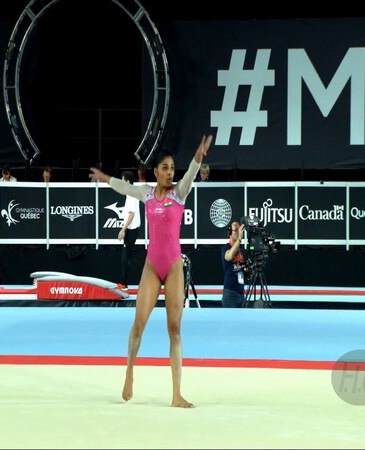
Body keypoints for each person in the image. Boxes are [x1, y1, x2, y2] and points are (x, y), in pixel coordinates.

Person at [89, 133, 213, 408]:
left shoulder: (178, 194)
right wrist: (105, 178)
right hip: (151, 266)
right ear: (155, 172)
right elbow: (125, 189)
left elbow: (191, 176)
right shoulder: (146, 194)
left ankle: (176, 394)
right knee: (138, 325)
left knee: (175, 329)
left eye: (172, 168)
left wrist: (197, 157)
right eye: (165, 168)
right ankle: (129, 374)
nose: (170, 173)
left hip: (173, 267)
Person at [118, 171, 141, 290]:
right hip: (131, 229)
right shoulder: (130, 193)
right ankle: (147, 278)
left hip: (132, 230)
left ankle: (124, 283)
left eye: (122, 180)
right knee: (129, 257)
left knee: (125, 256)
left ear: (127, 181)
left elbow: (131, 215)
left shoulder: (132, 194)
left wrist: (123, 230)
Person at [221, 220, 248, 308]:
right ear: (229, 232)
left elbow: (240, 270)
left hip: (241, 292)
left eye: (239, 230)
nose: (238, 232)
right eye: (235, 230)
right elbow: (230, 256)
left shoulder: (240, 251)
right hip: (230, 293)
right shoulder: (226, 248)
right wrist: (240, 238)